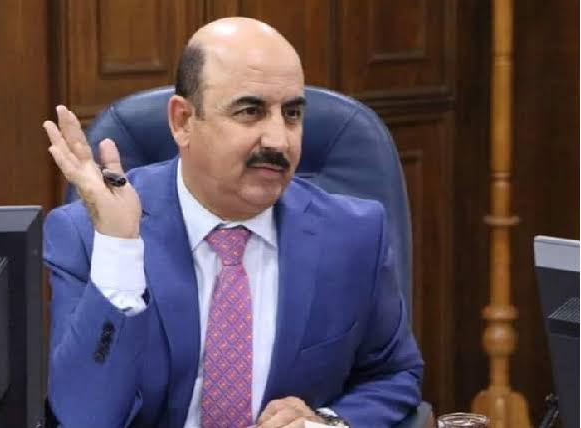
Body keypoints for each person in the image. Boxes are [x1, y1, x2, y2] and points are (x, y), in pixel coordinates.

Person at [42, 17, 423, 428]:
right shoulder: (90, 236)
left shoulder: (353, 235)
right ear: (182, 121)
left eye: (292, 113)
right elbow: (82, 417)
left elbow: (394, 375)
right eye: (250, 111)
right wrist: (120, 248)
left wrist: (327, 423)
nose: (279, 140)